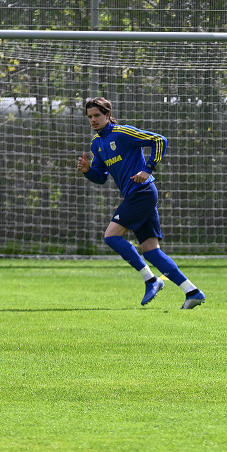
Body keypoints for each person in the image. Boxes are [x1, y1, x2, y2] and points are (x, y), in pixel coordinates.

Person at [76, 97, 205, 309]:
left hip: (143, 192)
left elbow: (159, 140)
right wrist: (88, 171)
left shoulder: (122, 133)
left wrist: (148, 169)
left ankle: (151, 279)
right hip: (135, 196)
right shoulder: (96, 144)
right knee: (151, 251)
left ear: (108, 115)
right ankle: (192, 292)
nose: (93, 120)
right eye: (90, 117)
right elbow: (101, 177)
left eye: (97, 115)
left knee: (111, 236)